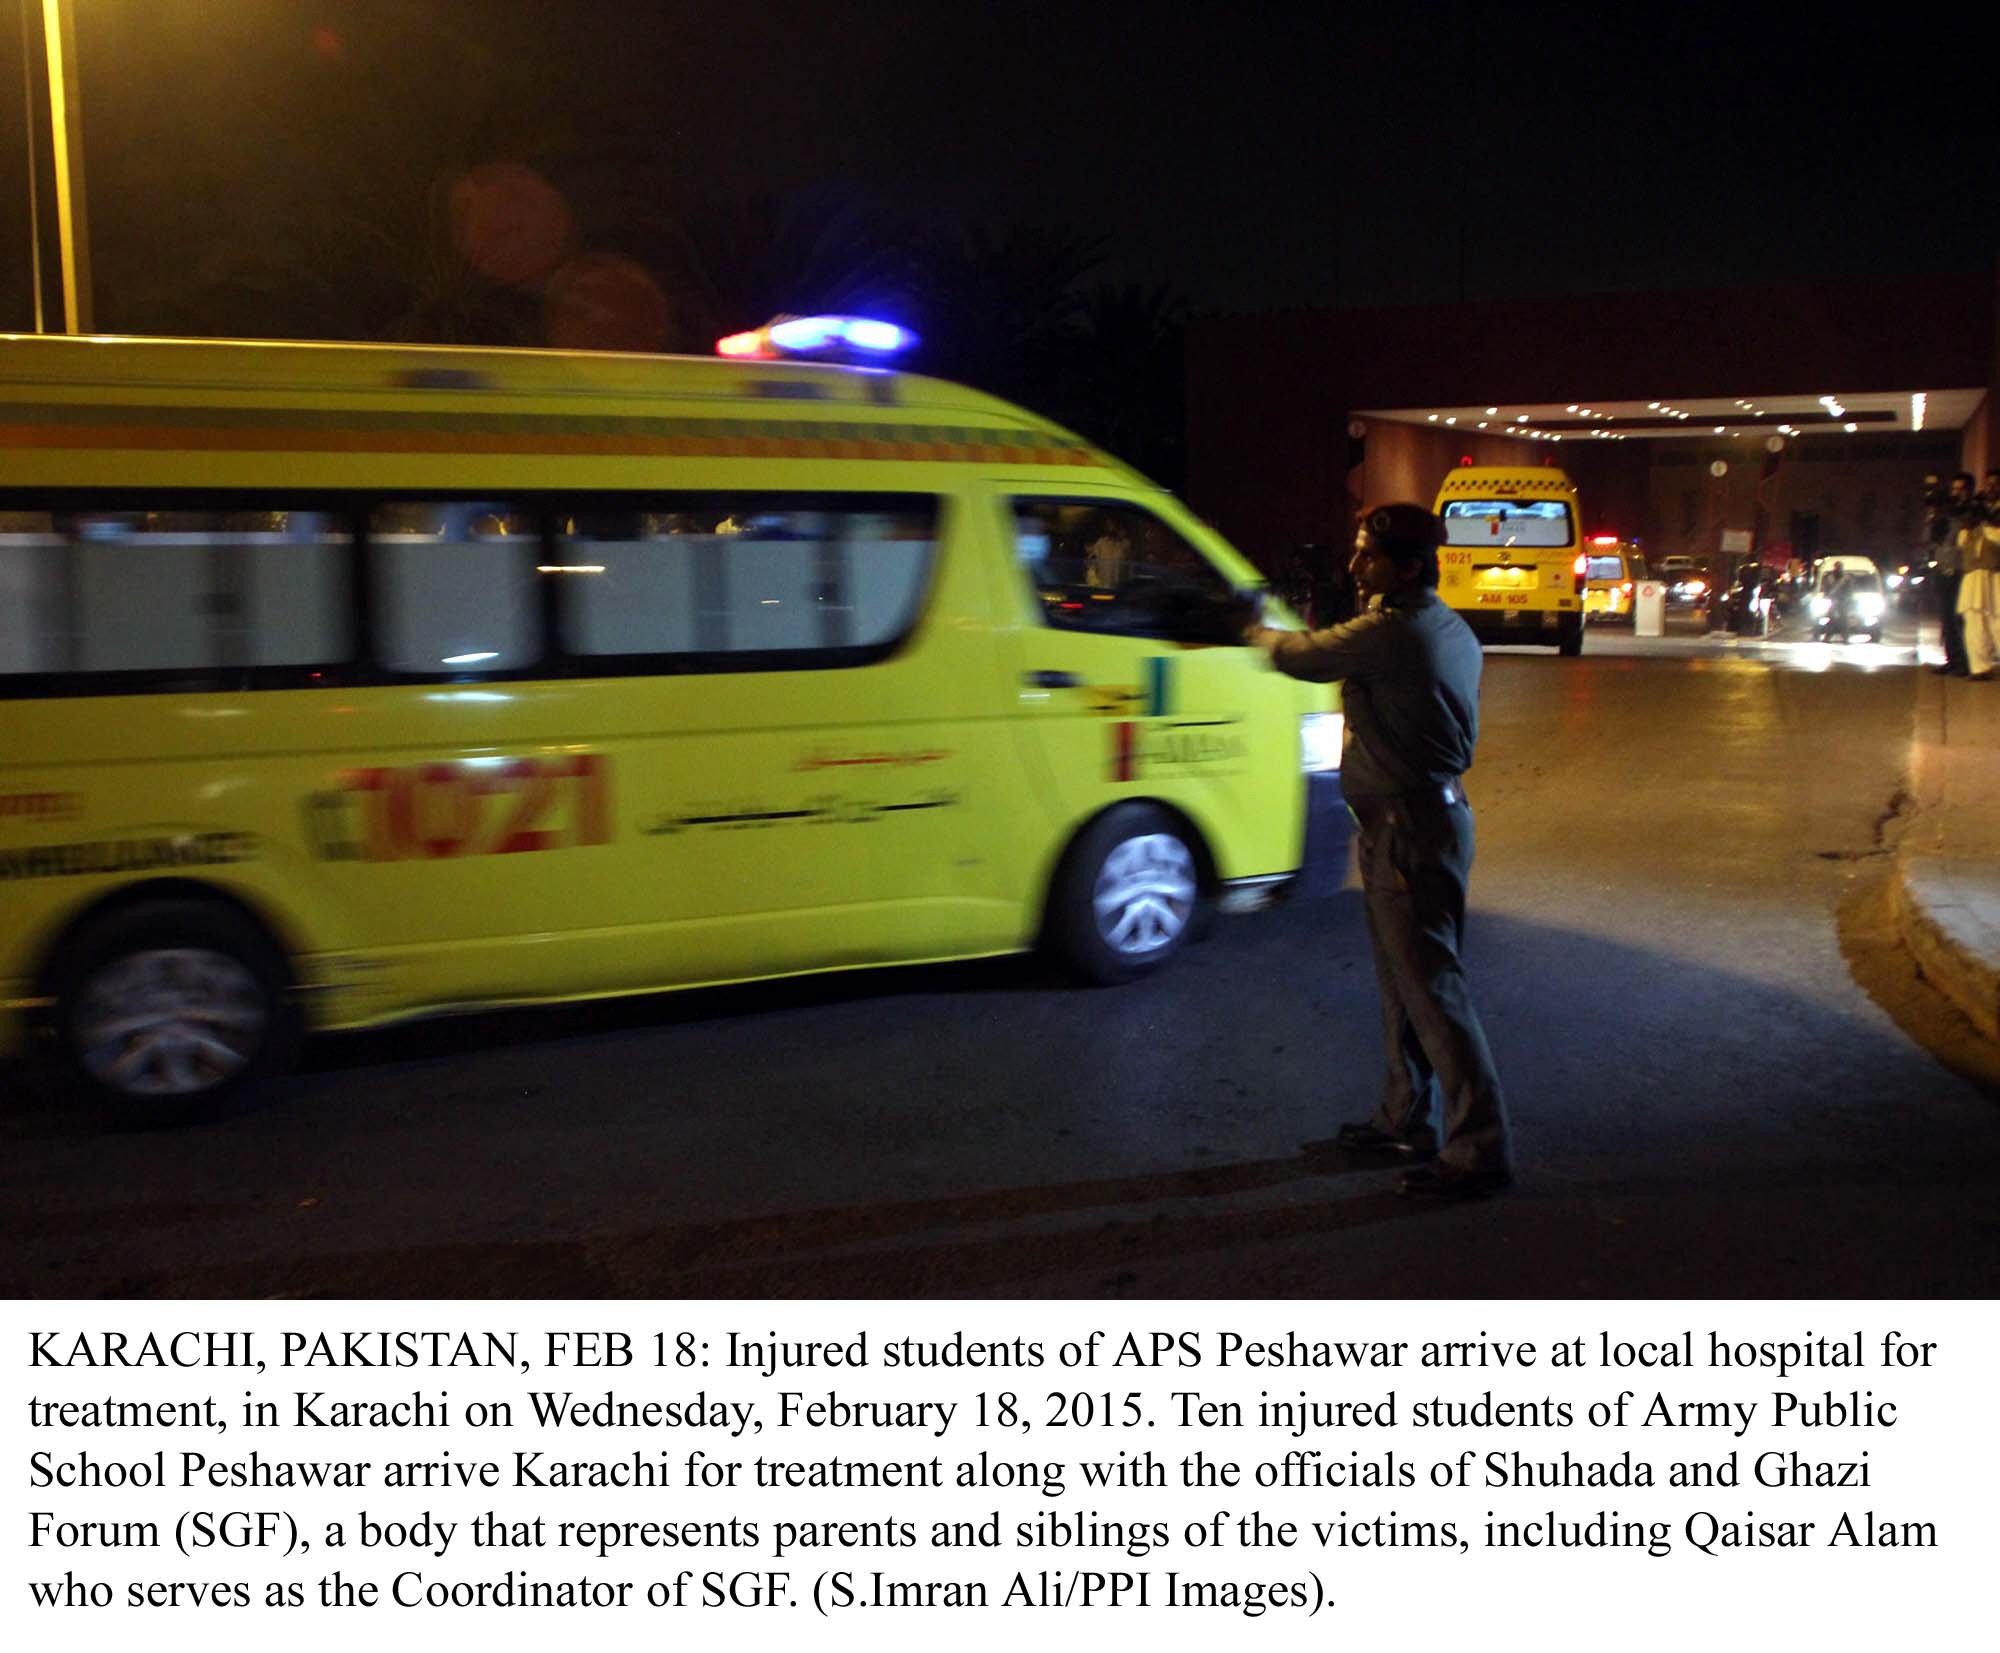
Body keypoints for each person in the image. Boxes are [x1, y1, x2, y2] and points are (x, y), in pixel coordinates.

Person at [1237, 502, 1513, 1199]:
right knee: (1404, 985)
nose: (1356, 566)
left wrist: (1243, 627)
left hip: (1409, 831)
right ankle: (1402, 1118)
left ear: (1409, 567)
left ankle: (1479, 1150)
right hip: (1421, 823)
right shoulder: (1445, 625)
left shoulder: (1394, 632)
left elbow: (1303, 655)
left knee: (1432, 990)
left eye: (1368, 555)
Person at [1929, 473, 1978, 675]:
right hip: (1943, 569)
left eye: (1961, 489)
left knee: (1961, 619)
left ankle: (1965, 662)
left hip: (1962, 570)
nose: (1956, 494)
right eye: (1954, 489)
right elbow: (1933, 538)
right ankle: (1952, 658)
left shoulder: (1973, 511)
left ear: (1969, 491)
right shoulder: (1946, 513)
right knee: (1947, 618)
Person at [1959, 471, 2000, 680]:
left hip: (1995, 572)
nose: (1991, 488)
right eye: (1989, 484)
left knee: (1997, 620)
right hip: (1973, 573)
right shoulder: (1975, 511)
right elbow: (1962, 541)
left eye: (1996, 484)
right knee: (1974, 620)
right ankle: (1980, 667)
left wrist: (1989, 526)